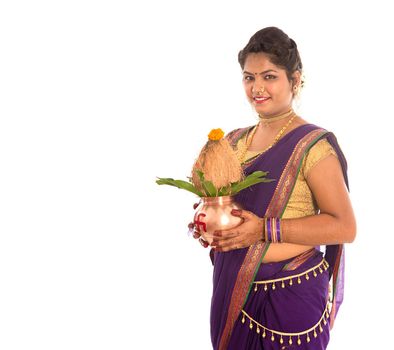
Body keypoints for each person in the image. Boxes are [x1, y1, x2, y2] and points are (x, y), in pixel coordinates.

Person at [190, 27, 356, 349]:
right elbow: (223, 206)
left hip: (291, 301)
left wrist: (264, 230)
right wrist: (206, 223)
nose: (257, 88)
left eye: (269, 76)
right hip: (236, 293)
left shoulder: (312, 146)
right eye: (249, 77)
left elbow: (344, 227)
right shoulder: (234, 141)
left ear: (295, 80)